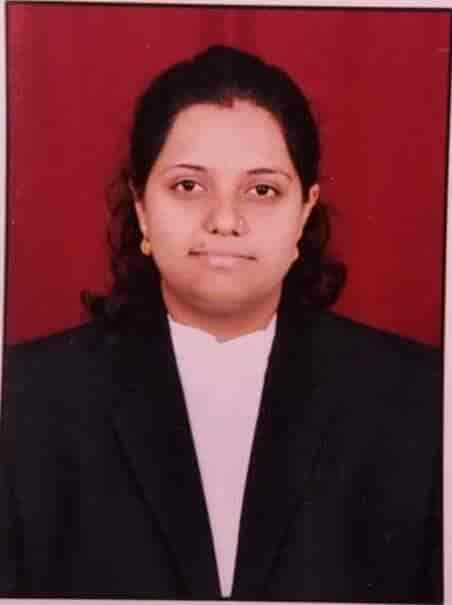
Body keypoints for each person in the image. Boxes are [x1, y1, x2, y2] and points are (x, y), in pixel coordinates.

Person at [0, 45, 442, 602]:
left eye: (262, 190)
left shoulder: (423, 398)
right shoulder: (25, 397)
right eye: (188, 186)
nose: (225, 220)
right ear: (141, 208)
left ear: (305, 211)